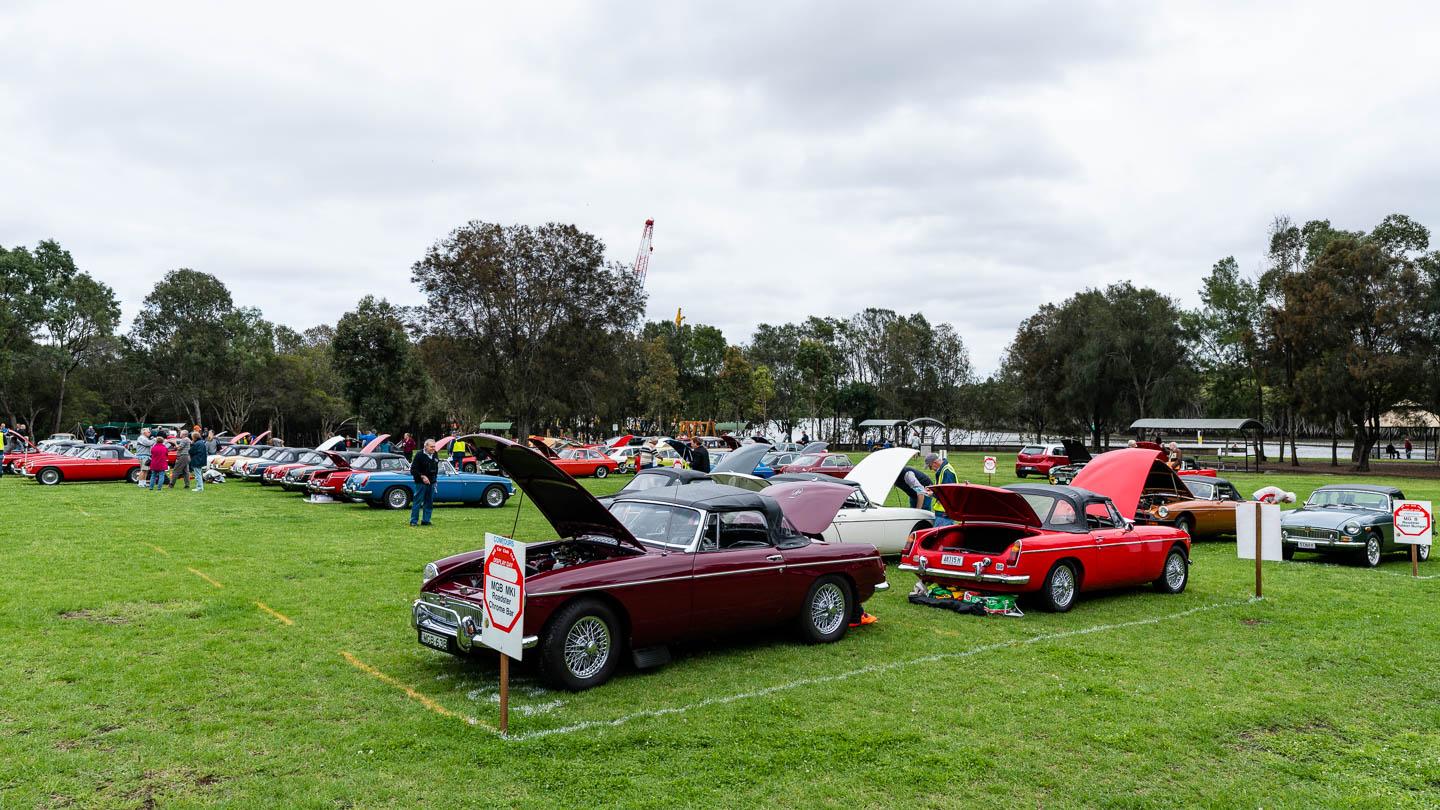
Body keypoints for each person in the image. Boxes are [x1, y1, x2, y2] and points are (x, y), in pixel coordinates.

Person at [923, 453, 959, 526]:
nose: (930, 469)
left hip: (945, 512)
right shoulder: (943, 470)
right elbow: (942, 487)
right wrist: (932, 489)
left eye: (930, 466)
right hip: (943, 512)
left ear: (935, 463)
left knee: (941, 536)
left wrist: (932, 494)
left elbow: (947, 492)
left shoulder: (946, 472)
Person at [410, 438, 439, 527]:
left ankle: (426, 520)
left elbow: (436, 468)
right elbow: (413, 470)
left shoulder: (435, 454)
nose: (433, 449)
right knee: (417, 501)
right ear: (425, 447)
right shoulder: (419, 455)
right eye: (431, 447)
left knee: (429, 502)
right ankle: (413, 521)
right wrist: (422, 476)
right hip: (420, 483)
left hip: (431, 482)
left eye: (434, 447)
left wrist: (435, 480)